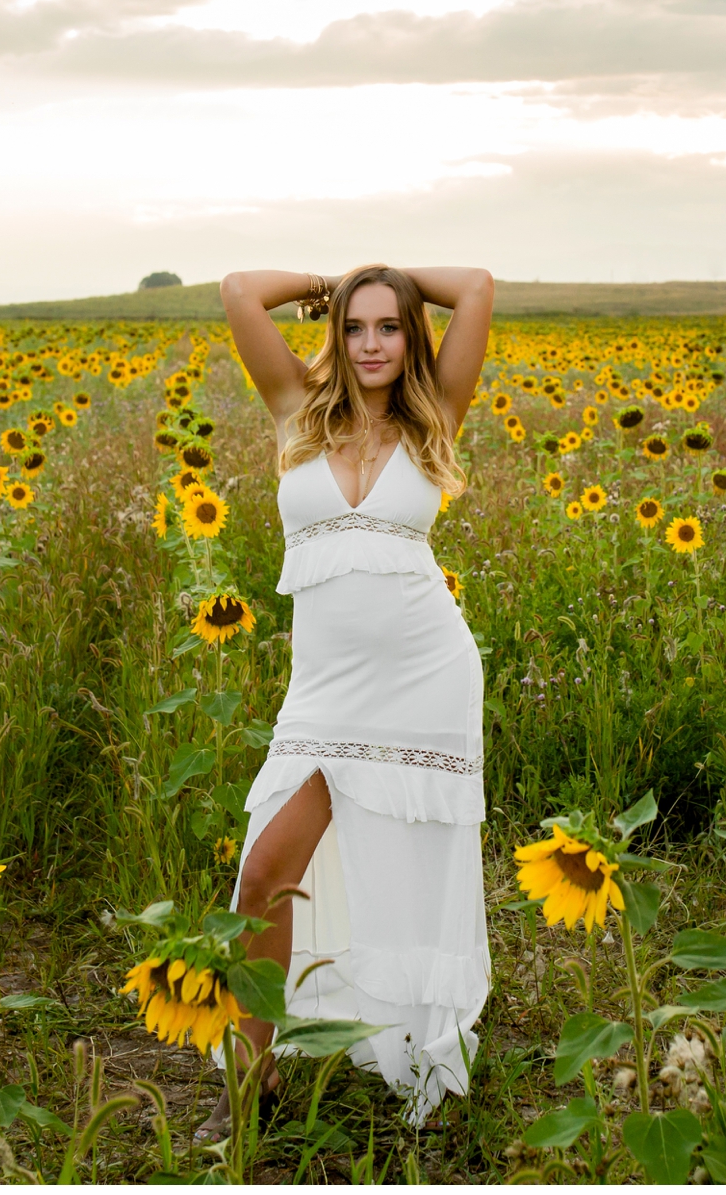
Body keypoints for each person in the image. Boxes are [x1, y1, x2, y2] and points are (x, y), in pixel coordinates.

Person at [201, 262, 495, 1138]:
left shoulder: (435, 416)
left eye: (389, 326)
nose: (370, 344)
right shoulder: (296, 409)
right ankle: (252, 1093)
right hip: (325, 696)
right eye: (356, 326)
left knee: (400, 869)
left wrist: (394, 276)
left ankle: (409, 1033)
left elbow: (475, 285)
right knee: (263, 873)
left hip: (425, 678)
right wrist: (332, 282)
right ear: (335, 332)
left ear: (412, 336)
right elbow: (236, 291)